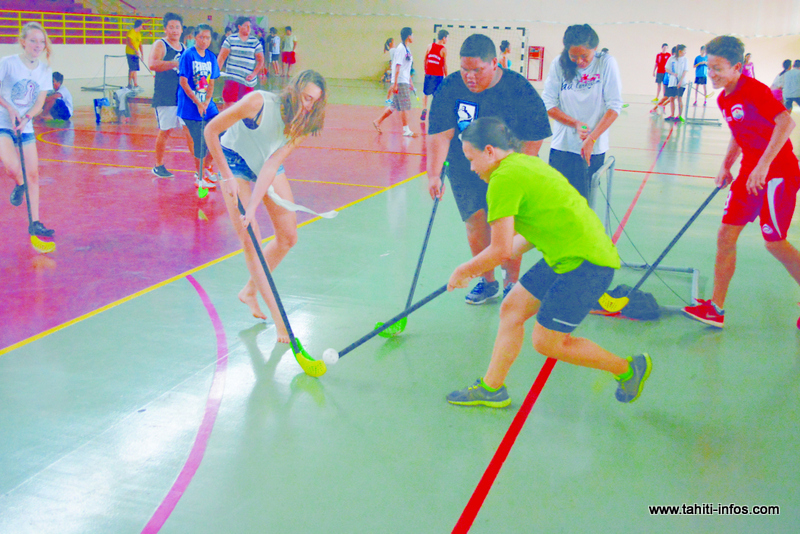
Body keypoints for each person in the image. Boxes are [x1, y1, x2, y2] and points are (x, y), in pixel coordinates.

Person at [445, 117, 650, 407]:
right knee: (512, 308)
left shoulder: (504, 178)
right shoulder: (525, 163)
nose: (471, 167)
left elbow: (500, 249)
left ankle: (628, 369)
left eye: (471, 158)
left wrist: (464, 270)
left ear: (489, 151)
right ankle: (492, 388)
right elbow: (528, 236)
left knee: (547, 342)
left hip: (586, 263)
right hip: (568, 253)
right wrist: (480, 265)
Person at [683, 36, 800, 329]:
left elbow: (786, 122)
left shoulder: (755, 90)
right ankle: (716, 309)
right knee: (725, 236)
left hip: (778, 173)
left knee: (774, 243)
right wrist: (725, 166)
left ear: (737, 67)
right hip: (750, 173)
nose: (712, 74)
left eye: (717, 68)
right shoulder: (724, 98)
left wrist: (763, 165)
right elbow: (738, 132)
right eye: (708, 67)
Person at [204, 70, 327, 342]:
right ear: (294, 89)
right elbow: (211, 130)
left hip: (266, 163)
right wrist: (226, 177)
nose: (308, 106)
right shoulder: (258, 102)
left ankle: (249, 290)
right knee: (252, 239)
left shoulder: (304, 124)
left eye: (314, 102)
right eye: (306, 98)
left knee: (288, 237)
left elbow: (272, 165)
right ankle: (280, 321)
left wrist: (253, 205)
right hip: (233, 161)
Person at [428, 34, 551, 303]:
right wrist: (434, 174)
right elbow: (440, 133)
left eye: (477, 70)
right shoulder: (449, 86)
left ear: (494, 63)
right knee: (475, 223)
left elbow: (536, 134)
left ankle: (512, 283)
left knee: (507, 226)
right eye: (464, 69)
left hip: (507, 170)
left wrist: (519, 171)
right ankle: (488, 281)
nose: (469, 76)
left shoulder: (517, 87)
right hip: (466, 167)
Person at [542, 24, 622, 200]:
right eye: (573, 56)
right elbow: (548, 103)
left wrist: (592, 138)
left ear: (595, 48)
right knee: (557, 202)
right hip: (562, 147)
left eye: (584, 56)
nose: (579, 61)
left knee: (583, 204)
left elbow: (614, 106)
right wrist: (575, 123)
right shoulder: (559, 64)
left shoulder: (606, 63)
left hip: (592, 149)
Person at [0, 22, 56, 238]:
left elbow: (39, 102)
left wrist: (27, 117)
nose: (37, 45)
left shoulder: (44, 70)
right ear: (23, 42)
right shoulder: (8, 63)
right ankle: (19, 184)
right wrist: (10, 108)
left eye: (41, 41)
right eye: (33, 40)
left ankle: (35, 222)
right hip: (3, 121)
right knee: (12, 166)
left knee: (33, 174)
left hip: (25, 122)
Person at [149, 12, 194, 179]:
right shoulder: (160, 44)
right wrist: (176, 63)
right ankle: (158, 165)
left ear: (182, 29)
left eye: (177, 27)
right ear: (165, 29)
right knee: (165, 131)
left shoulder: (185, 48)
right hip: (165, 95)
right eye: (171, 27)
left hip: (183, 96)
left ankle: (200, 168)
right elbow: (153, 64)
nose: (175, 30)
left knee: (190, 129)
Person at [178, 24, 220, 190]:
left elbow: (211, 82)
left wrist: (207, 101)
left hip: (207, 104)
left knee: (221, 134)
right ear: (195, 38)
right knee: (199, 142)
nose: (204, 40)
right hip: (190, 106)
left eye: (208, 37)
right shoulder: (188, 55)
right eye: (201, 37)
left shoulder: (211, 57)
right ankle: (199, 175)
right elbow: (183, 81)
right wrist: (197, 102)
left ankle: (207, 166)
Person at [373, 27, 417, 137]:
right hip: (401, 81)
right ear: (408, 36)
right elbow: (398, 67)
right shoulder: (401, 49)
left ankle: (377, 121)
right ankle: (406, 130)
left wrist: (410, 82)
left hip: (405, 80)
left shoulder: (407, 49)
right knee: (405, 105)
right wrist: (395, 84)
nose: (413, 37)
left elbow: (406, 68)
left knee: (393, 106)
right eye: (412, 35)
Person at [217, 17, 265, 108]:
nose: (248, 28)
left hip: (247, 80)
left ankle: (243, 123)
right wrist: (216, 72)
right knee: (228, 103)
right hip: (232, 78)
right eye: (246, 26)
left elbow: (261, 60)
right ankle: (228, 122)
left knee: (245, 106)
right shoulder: (230, 39)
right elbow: (221, 57)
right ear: (239, 26)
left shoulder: (255, 41)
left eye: (249, 26)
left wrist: (254, 74)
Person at [420, 29, 448, 122]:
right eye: (447, 38)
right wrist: (446, 76)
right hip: (438, 76)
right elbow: (444, 65)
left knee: (425, 94)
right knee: (437, 95)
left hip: (429, 74)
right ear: (444, 38)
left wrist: (426, 70)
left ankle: (424, 109)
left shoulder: (429, 46)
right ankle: (434, 113)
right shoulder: (443, 49)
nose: (447, 40)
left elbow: (425, 60)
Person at [663, 44, 688, 122]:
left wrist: (680, 81)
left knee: (679, 98)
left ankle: (679, 115)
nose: (685, 52)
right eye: (684, 51)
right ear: (680, 51)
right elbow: (666, 69)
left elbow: (685, 71)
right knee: (671, 98)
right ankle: (672, 115)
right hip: (672, 81)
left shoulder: (685, 60)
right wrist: (673, 74)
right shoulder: (672, 58)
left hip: (681, 82)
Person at [125, 19, 145, 89]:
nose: (142, 27)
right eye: (141, 26)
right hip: (130, 53)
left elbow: (140, 44)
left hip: (136, 54)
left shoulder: (138, 34)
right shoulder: (131, 32)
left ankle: (135, 84)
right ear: (139, 26)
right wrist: (135, 50)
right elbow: (129, 42)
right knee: (132, 69)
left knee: (135, 69)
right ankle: (129, 84)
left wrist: (142, 54)